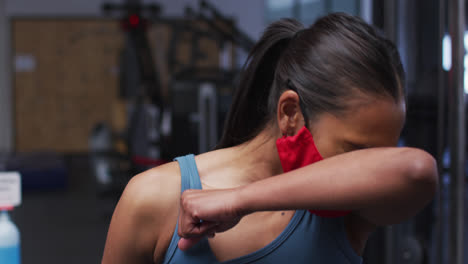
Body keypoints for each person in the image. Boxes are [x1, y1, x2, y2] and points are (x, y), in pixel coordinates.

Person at [102, 13, 438, 264]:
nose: (370, 168)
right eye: (356, 151)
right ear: (291, 112)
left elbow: (416, 169)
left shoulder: (354, 209)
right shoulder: (152, 198)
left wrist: (240, 200)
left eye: (381, 155)